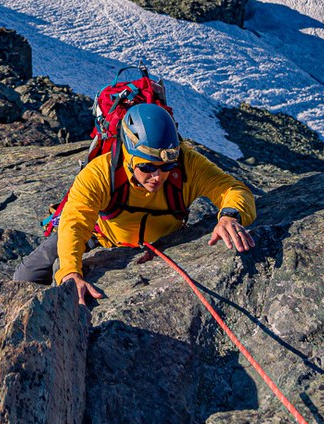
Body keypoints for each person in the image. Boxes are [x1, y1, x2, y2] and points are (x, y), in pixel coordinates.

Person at [13, 102, 256, 304]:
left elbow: (233, 189)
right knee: (25, 277)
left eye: (166, 167)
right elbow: (74, 222)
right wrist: (70, 271)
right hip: (102, 236)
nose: (157, 177)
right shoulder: (100, 173)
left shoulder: (187, 163)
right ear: (129, 155)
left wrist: (230, 216)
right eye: (147, 167)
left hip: (165, 240)